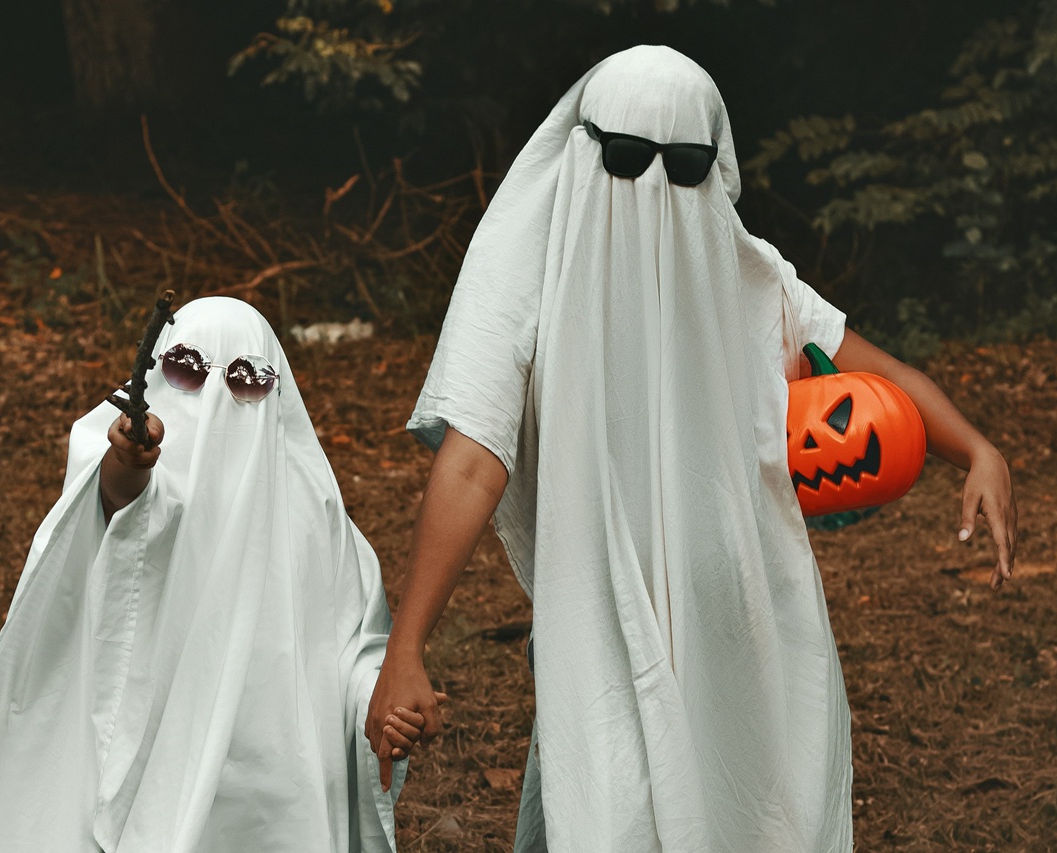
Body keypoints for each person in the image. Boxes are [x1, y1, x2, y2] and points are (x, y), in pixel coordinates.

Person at [365, 46, 1017, 851]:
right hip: (596, 616)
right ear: (582, 149)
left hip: (740, 626)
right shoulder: (529, 288)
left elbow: (879, 370)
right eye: (630, 160)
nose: (653, 189)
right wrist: (407, 646)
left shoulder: (749, 278)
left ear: (716, 167)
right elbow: (473, 458)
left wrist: (980, 450)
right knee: (606, 808)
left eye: (683, 166)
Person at [0, 297, 427, 852]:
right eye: (187, 369)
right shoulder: (156, 478)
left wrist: (376, 703)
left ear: (277, 391)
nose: (212, 400)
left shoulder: (315, 513)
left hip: (270, 774)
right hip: (149, 745)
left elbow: (352, 645)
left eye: (246, 380)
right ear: (158, 368)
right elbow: (116, 518)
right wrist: (128, 464)